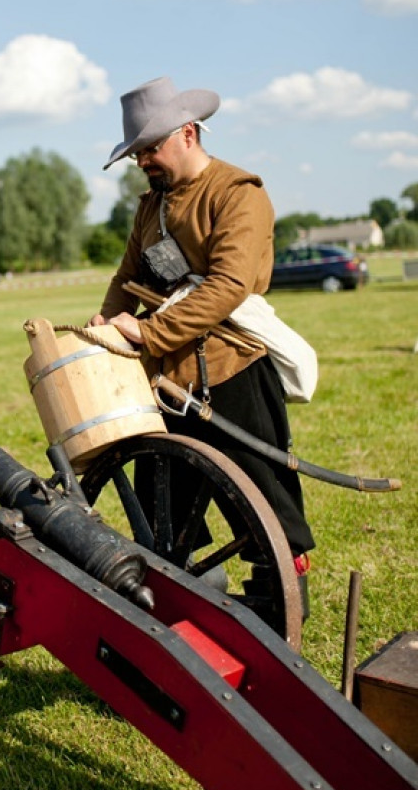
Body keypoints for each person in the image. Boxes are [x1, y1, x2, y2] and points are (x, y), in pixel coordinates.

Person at [90, 76, 314, 605]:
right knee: (162, 511)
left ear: (187, 134)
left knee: (262, 505)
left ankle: (278, 604)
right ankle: (186, 601)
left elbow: (229, 286)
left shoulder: (238, 193)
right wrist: (106, 321)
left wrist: (148, 332)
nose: (142, 161)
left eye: (150, 149)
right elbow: (127, 277)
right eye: (137, 153)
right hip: (164, 380)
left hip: (233, 369)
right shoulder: (151, 206)